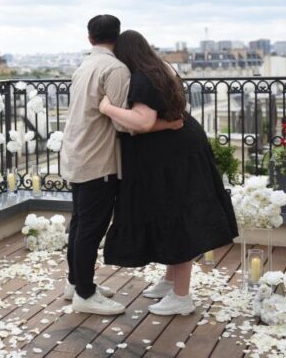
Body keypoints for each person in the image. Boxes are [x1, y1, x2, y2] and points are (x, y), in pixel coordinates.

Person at [99, 29, 238, 316]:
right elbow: (168, 116)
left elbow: (143, 121)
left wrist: (108, 107)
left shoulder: (140, 78)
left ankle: (181, 296)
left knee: (176, 218)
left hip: (171, 157)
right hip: (185, 148)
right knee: (176, 213)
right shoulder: (162, 68)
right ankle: (170, 281)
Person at [60, 15, 182, 316]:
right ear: (118, 37)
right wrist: (164, 124)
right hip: (98, 159)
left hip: (76, 153)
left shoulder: (84, 66)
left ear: (90, 38)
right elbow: (124, 124)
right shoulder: (115, 69)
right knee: (91, 227)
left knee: (79, 224)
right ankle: (85, 294)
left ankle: (76, 283)